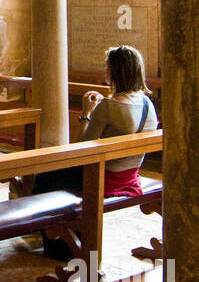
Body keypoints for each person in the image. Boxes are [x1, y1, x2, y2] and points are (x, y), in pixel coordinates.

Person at [32, 45, 157, 255]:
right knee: (52, 177)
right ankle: (58, 233)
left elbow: (81, 149)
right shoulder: (147, 103)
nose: (105, 71)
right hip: (129, 176)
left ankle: (58, 243)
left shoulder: (109, 106)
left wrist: (86, 112)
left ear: (115, 71)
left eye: (107, 66)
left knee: (44, 177)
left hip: (102, 178)